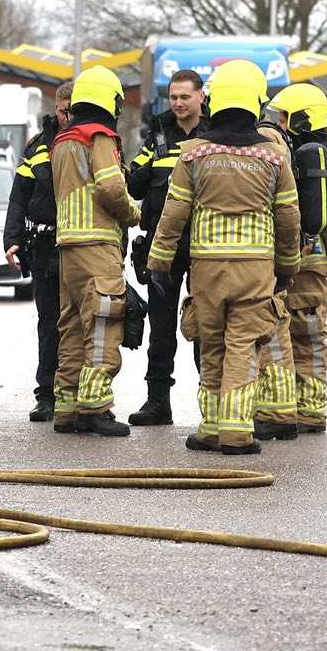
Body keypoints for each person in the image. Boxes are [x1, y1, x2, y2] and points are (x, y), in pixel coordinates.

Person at [147, 60, 299, 456]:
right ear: (254, 103)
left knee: (210, 343)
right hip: (254, 269)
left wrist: (159, 263)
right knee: (244, 345)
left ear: (213, 102)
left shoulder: (193, 154)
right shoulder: (273, 156)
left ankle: (211, 428)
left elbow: (174, 212)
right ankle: (236, 432)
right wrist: (287, 268)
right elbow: (288, 218)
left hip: (207, 269)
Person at [51, 66, 139, 436]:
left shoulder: (62, 140)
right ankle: (95, 407)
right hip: (98, 244)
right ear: (110, 100)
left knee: (71, 326)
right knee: (104, 322)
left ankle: (66, 407)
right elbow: (111, 189)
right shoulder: (98, 137)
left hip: (68, 248)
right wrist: (134, 213)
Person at [124, 69, 204, 425]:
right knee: (161, 326)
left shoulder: (215, 132)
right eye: (173, 97)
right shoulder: (157, 133)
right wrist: (151, 156)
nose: (178, 103)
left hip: (204, 242)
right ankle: (158, 402)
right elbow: (135, 185)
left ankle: (213, 399)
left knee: (207, 324)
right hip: (164, 243)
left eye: (185, 96)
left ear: (201, 96)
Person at [269, 83, 327, 434]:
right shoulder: (325, 160)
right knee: (311, 340)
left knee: (285, 336)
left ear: (301, 118)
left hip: (289, 262)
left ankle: (289, 409)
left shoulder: (290, 158)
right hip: (314, 267)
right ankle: (310, 410)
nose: (280, 124)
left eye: (285, 116)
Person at [5, 83, 74, 422]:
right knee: (49, 324)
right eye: (63, 110)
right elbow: (19, 195)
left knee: (82, 323)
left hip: (82, 246)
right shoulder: (38, 147)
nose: (68, 116)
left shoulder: (95, 142)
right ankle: (46, 394)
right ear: (56, 108)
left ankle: (78, 395)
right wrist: (12, 238)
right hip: (45, 245)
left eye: (74, 109)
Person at [250, 109, 301, 439]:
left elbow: (284, 210)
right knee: (274, 328)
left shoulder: (267, 143)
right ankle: (278, 410)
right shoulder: (278, 141)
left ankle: (278, 413)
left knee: (272, 331)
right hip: (269, 253)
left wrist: (285, 262)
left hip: (262, 254)